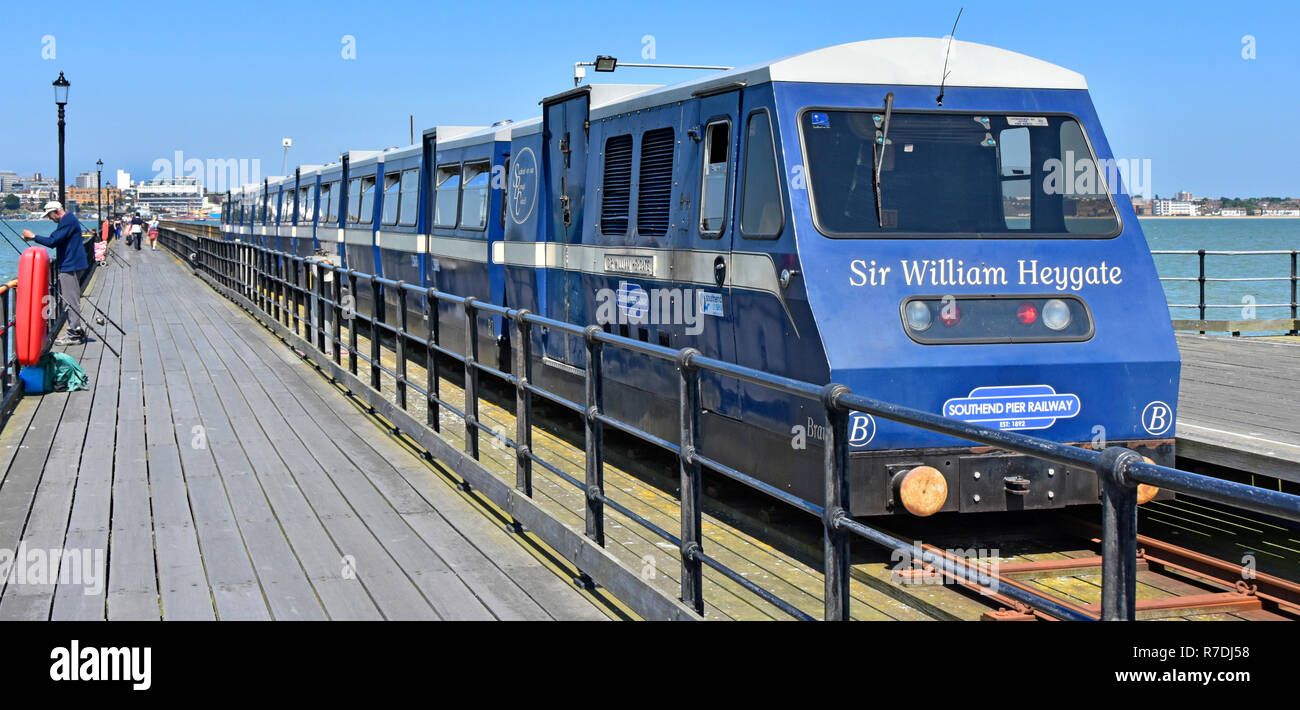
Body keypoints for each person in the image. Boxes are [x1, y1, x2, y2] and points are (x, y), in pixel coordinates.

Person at [21, 201, 90, 346]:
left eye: (50, 215)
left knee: (70, 301)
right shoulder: (68, 220)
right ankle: (76, 329)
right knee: (71, 299)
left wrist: (33, 236)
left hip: (70, 266)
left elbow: (52, 241)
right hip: (74, 264)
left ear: (56, 212)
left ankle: (73, 334)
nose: (50, 219)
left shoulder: (67, 221)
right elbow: (56, 238)